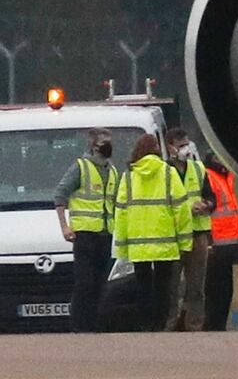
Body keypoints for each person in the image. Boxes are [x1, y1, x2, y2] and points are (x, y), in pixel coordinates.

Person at [114, 134, 193, 332]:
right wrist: (184, 242)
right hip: (165, 243)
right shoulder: (169, 173)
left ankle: (144, 324)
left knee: (143, 286)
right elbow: (181, 210)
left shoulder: (129, 177)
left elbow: (121, 213)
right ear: (157, 149)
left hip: (138, 245)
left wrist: (121, 248)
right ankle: (159, 324)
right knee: (163, 287)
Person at [53, 127, 118, 333]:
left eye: (109, 141)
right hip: (84, 234)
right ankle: (79, 326)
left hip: (106, 234)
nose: (108, 145)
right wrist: (64, 226)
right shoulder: (81, 167)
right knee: (85, 283)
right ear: (92, 145)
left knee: (100, 283)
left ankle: (94, 325)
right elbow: (60, 195)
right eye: (103, 142)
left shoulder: (113, 170)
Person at [165, 128, 215, 332]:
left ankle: (194, 326)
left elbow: (212, 198)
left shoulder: (198, 169)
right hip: (174, 237)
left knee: (196, 287)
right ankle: (169, 324)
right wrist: (188, 209)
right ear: (170, 148)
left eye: (187, 144)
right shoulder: (164, 171)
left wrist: (206, 205)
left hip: (197, 235)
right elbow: (163, 204)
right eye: (180, 146)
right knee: (172, 286)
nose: (185, 149)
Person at [202, 151, 238, 331]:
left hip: (229, 241)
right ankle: (213, 324)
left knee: (226, 288)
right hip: (217, 241)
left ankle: (219, 324)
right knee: (216, 288)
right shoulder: (211, 177)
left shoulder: (225, 177)